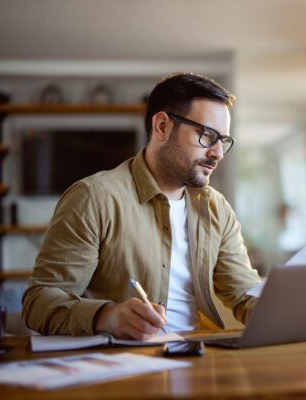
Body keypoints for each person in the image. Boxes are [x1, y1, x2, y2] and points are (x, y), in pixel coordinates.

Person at [22, 73, 261, 339]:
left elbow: (244, 295)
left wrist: (295, 309)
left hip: (199, 357)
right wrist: (106, 316)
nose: (217, 152)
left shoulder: (217, 209)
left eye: (223, 141)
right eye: (206, 135)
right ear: (161, 126)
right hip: (122, 364)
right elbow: (39, 302)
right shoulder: (93, 198)